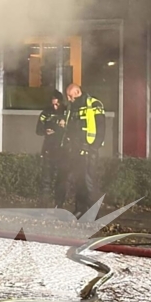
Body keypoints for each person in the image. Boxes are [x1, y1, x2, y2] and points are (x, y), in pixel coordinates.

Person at [61, 83, 106, 216]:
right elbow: (71, 128)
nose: (68, 99)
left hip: (89, 150)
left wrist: (94, 147)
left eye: (70, 96)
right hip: (75, 150)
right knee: (78, 180)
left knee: (89, 182)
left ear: (77, 92)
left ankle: (93, 213)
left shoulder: (94, 104)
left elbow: (101, 127)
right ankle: (80, 210)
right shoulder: (72, 107)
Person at [35, 89, 66, 207]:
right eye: (53, 103)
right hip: (48, 149)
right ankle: (43, 206)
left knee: (61, 179)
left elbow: (73, 129)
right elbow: (38, 130)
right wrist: (45, 131)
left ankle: (59, 206)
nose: (55, 106)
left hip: (62, 149)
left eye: (57, 104)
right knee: (46, 180)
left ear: (61, 102)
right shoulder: (45, 113)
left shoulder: (66, 112)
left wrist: (63, 126)